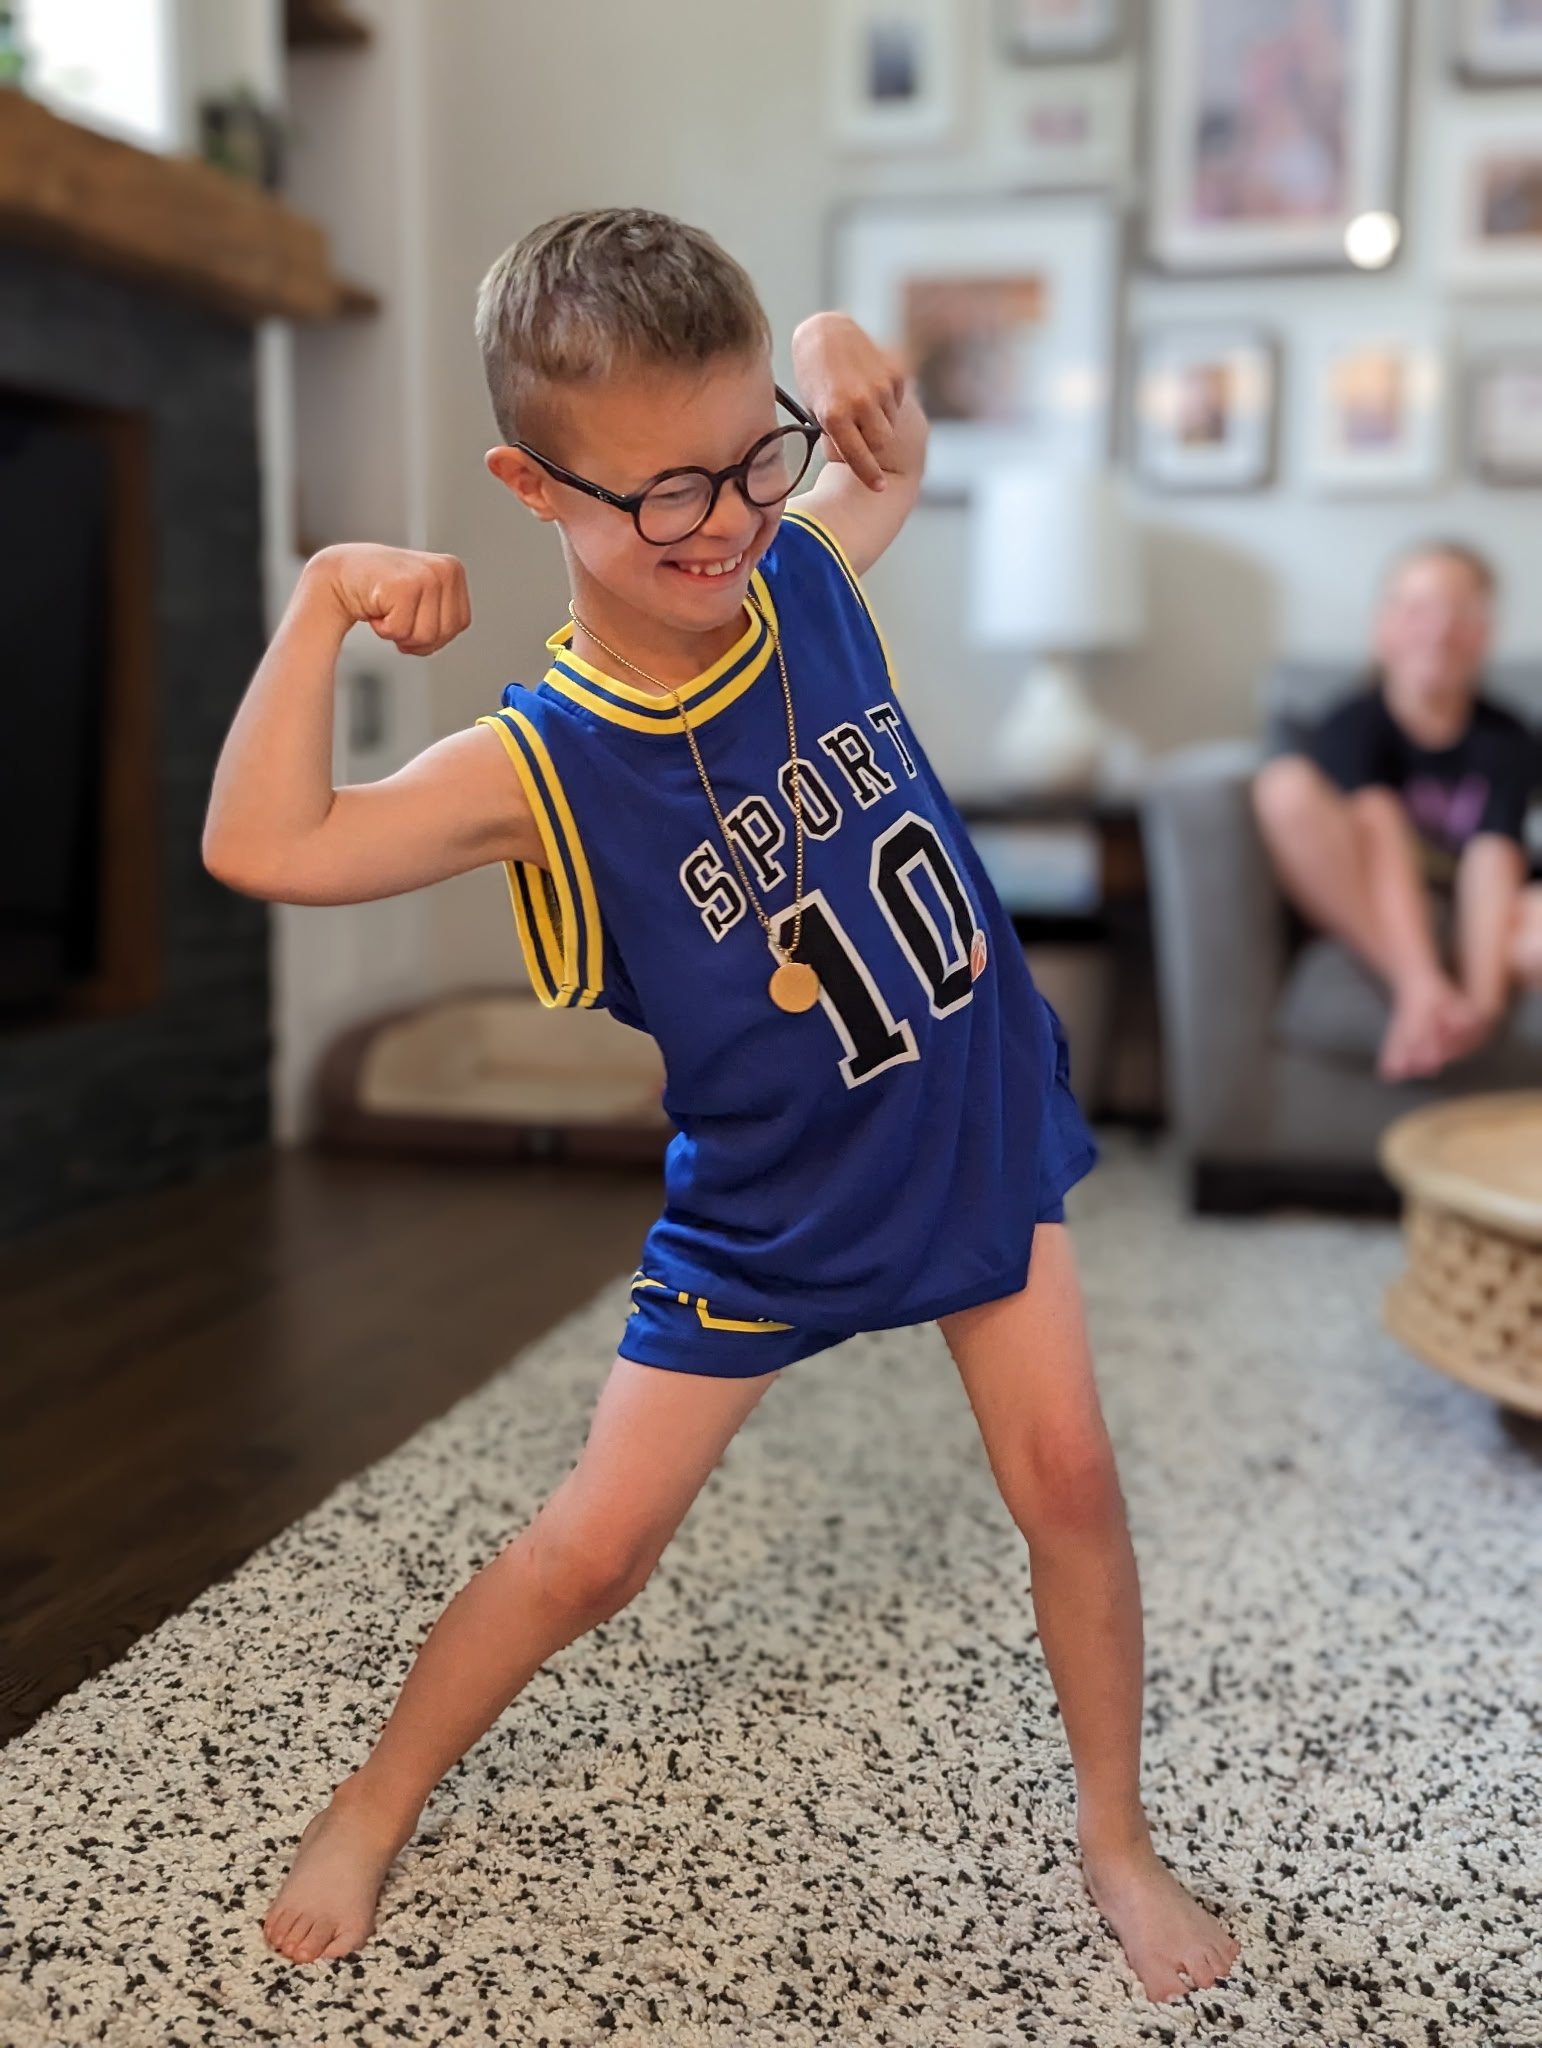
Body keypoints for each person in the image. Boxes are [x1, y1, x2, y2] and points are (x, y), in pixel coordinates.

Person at [204, 208, 1240, 2003]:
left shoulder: (807, 575)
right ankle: (375, 1793)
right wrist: (317, 603)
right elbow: (260, 842)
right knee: (594, 1552)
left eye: (750, 457)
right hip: (768, 1202)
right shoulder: (533, 765)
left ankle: (1113, 1832)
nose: (729, 522)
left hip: (971, 1125)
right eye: (663, 493)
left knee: (1068, 1479)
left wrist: (835, 341)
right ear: (533, 489)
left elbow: (878, 445)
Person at [1253, 540, 1542, 1082]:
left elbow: (1493, 857)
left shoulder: (1510, 738)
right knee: (1284, 785)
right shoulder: (1353, 724)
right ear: (1382, 627)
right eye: (1417, 610)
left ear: (1485, 634)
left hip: (1488, 914)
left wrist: (1480, 1007)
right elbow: (1378, 833)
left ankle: (1452, 1016)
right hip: (1386, 904)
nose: (1437, 630)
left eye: (1459, 613)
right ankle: (1422, 989)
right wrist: (1420, 985)